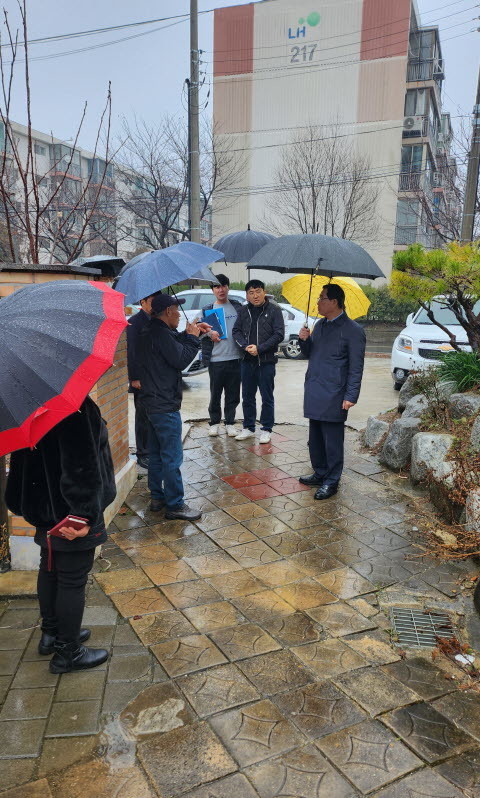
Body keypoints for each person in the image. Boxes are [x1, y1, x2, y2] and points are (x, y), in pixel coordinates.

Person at [5, 397, 116, 673]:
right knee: (72, 579)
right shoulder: (73, 406)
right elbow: (81, 467)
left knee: (50, 569)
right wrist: (84, 516)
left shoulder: (30, 405)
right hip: (70, 515)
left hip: (44, 508)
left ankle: (52, 634)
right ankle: (69, 653)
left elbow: (21, 460)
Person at [137, 293, 211, 521]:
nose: (179, 315)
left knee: (156, 454)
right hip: (164, 404)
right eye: (177, 310)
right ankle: (175, 504)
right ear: (168, 311)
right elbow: (180, 359)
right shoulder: (159, 333)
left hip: (150, 402)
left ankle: (157, 498)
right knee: (171, 457)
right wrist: (193, 338)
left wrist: (191, 332)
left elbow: (171, 344)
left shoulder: (151, 330)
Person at [298, 283, 366, 499]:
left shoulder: (353, 330)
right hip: (315, 388)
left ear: (334, 302)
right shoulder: (320, 325)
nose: (318, 302)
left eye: (322, 298)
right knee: (316, 437)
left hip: (335, 393)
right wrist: (304, 340)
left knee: (332, 440)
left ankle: (332, 480)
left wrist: (351, 395)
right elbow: (310, 353)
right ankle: (320, 472)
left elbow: (356, 367)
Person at [232, 279, 285, 444]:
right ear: (247, 295)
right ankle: (248, 427)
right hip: (247, 360)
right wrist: (245, 346)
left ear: (264, 292)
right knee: (247, 396)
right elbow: (236, 331)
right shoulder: (243, 310)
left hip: (266, 361)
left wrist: (260, 348)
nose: (255, 296)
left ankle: (266, 429)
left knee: (267, 397)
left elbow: (279, 334)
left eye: (258, 291)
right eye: (251, 293)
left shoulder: (274, 310)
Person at [200, 274, 243, 438]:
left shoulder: (237, 307)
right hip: (216, 359)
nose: (221, 289)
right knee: (215, 394)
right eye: (217, 286)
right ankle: (214, 423)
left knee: (233, 394)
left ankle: (230, 423)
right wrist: (209, 333)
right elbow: (199, 331)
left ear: (228, 287)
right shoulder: (207, 309)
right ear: (212, 290)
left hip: (235, 358)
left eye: (224, 286)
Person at [126, 291, 162, 470]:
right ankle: (143, 453)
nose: (155, 305)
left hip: (156, 376)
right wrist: (134, 378)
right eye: (153, 301)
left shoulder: (157, 320)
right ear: (143, 301)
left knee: (154, 415)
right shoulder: (135, 322)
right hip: (141, 378)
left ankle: (153, 449)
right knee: (142, 417)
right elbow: (131, 351)